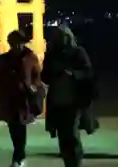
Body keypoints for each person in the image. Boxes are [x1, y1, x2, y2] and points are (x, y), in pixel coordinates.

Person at [42, 24, 98, 167]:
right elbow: (44, 77)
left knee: (72, 134)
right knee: (62, 136)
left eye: (62, 37)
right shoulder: (51, 54)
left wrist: (73, 74)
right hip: (57, 101)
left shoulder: (78, 52)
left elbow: (88, 73)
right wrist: (54, 72)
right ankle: (69, 162)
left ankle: (75, 162)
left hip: (74, 101)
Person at [0, 30, 44, 167]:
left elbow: (37, 76)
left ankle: (19, 157)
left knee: (21, 127)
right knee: (13, 128)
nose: (18, 46)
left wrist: (34, 87)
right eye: (15, 43)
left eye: (20, 43)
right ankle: (19, 155)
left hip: (24, 98)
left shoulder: (30, 57)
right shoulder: (5, 59)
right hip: (9, 98)